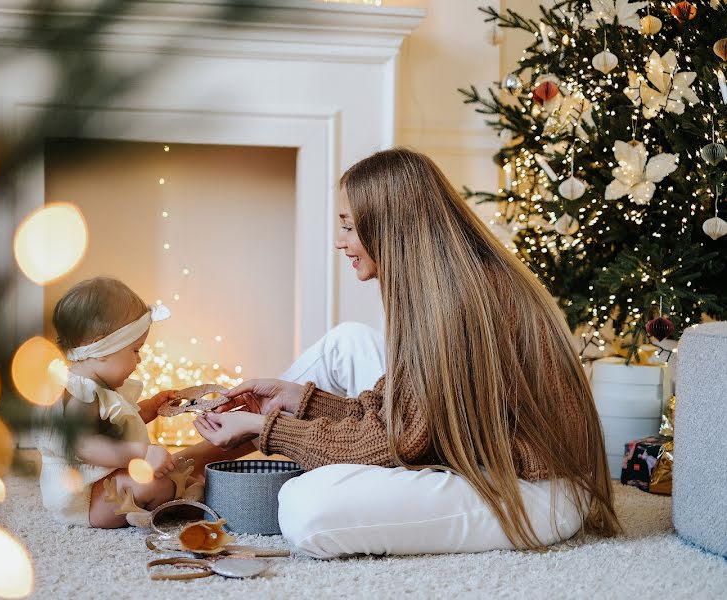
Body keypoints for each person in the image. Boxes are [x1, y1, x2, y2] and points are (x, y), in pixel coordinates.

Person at [193, 148, 620, 558]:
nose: (340, 242)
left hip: (539, 489)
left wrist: (270, 428)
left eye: (347, 225)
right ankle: (193, 469)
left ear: (388, 225)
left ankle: (197, 470)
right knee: (346, 341)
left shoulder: (456, 301)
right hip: (496, 460)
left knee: (305, 506)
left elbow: (396, 440)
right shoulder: (445, 284)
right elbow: (398, 413)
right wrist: (298, 403)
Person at [36, 277, 202, 528]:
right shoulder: (82, 394)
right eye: (135, 350)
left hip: (107, 478)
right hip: (87, 494)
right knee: (154, 482)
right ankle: (151, 505)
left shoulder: (102, 388)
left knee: (179, 472)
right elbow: (83, 445)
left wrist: (151, 407)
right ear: (100, 347)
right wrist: (141, 454)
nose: (140, 359)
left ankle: (176, 497)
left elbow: (121, 425)